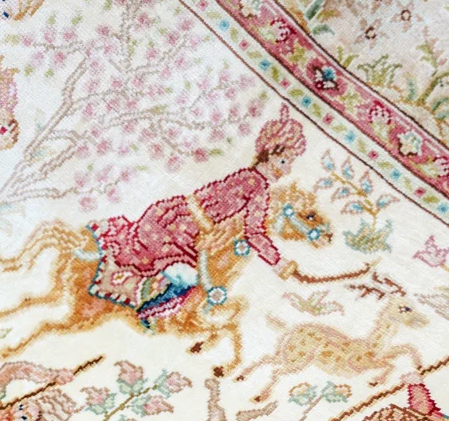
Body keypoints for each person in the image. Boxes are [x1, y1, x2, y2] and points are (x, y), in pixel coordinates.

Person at [85, 104, 307, 325]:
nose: (286, 170)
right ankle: (147, 311)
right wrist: (278, 262)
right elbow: (254, 232)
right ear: (269, 154)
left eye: (289, 163)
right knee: (188, 279)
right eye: (283, 161)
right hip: (180, 231)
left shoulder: (246, 176)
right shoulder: (257, 187)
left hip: (172, 215)